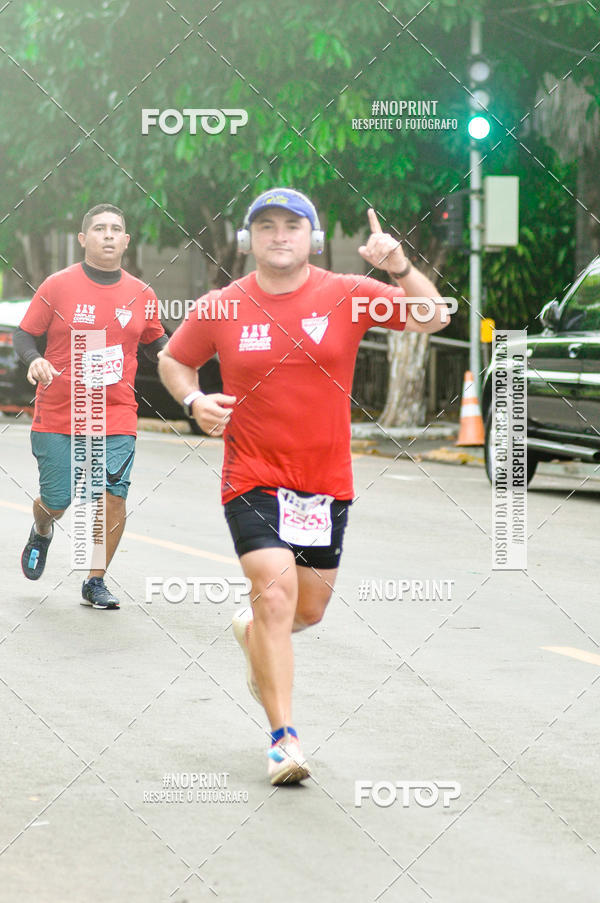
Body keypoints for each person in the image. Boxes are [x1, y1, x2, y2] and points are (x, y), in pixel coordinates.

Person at [158, 187, 450, 785]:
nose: (279, 235)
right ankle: (282, 740)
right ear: (250, 239)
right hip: (252, 476)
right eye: (265, 226)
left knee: (306, 612)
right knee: (276, 595)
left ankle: (254, 633)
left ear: (312, 237)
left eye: (292, 225)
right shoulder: (222, 305)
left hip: (326, 482)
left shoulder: (347, 293)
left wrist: (398, 266)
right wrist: (193, 399)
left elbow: (434, 316)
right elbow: (173, 359)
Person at [15, 203, 167, 608]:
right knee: (59, 500)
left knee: (112, 495)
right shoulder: (57, 285)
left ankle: (94, 580)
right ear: (84, 239)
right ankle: (42, 528)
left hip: (115, 411)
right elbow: (25, 336)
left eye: (116, 228)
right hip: (59, 412)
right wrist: (35, 360)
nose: (108, 235)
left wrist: (184, 368)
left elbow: (157, 346)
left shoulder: (142, 294)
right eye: (99, 228)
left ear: (126, 240)